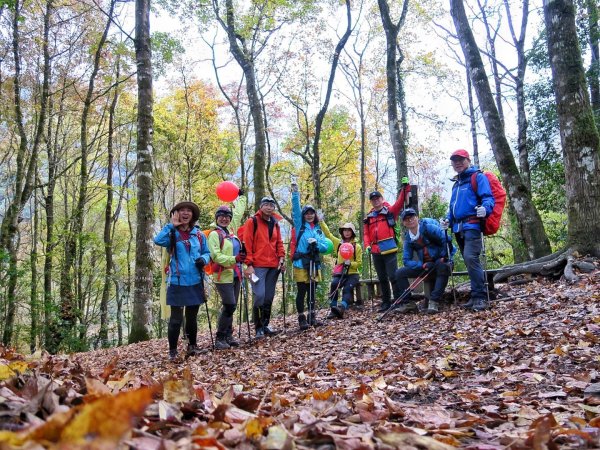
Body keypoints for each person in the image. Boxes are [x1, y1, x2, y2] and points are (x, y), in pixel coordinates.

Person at [154, 201, 211, 360]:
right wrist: (171, 225)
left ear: (193, 215)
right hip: (177, 282)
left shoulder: (199, 235)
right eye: (182, 211)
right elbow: (157, 240)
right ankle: (172, 351)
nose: (185, 213)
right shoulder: (172, 234)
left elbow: (207, 253)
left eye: (189, 211)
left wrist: (203, 259)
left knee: (192, 317)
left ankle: (192, 346)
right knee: (175, 320)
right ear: (176, 214)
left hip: (195, 280)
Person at [441, 149, 494, 311]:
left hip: (472, 226)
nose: (457, 163)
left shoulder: (477, 177)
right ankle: (475, 294)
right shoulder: (456, 184)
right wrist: (447, 219)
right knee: (468, 261)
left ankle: (480, 297)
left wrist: (485, 208)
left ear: (468, 160)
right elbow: (452, 208)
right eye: (454, 160)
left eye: (461, 160)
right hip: (458, 227)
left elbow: (488, 197)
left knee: (471, 258)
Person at [363, 178, 412, 312]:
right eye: (373, 200)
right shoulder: (369, 217)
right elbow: (366, 234)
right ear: (371, 202)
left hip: (389, 248)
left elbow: (400, 202)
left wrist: (405, 187)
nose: (376, 201)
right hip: (375, 250)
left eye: (378, 198)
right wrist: (367, 245)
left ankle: (397, 300)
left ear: (381, 199)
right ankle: (386, 302)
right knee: (382, 278)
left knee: (393, 275)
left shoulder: (390, 211)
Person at [394, 208, 455, 314]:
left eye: (412, 217)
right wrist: (422, 265)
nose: (410, 220)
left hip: (441, 260)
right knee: (399, 273)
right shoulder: (408, 238)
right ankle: (409, 303)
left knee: (442, 265)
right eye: (406, 219)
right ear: (403, 223)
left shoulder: (428, 228)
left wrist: (443, 256)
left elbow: (446, 239)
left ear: (417, 218)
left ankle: (434, 301)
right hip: (426, 266)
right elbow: (406, 260)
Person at [207, 193, 247, 350]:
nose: (224, 218)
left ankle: (229, 335)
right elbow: (216, 256)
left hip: (236, 274)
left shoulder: (231, 231)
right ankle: (220, 338)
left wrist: (241, 197)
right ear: (217, 218)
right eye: (221, 216)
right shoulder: (214, 235)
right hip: (222, 275)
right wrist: (234, 259)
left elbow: (238, 212)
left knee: (233, 305)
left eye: (227, 216)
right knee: (229, 304)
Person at [242, 196, 286, 338]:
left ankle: (266, 324)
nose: (269, 207)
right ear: (261, 207)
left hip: (273, 266)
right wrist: (248, 264)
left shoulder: (275, 223)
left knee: (269, 297)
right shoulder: (252, 222)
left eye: (271, 205)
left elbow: (279, 242)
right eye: (266, 204)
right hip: (257, 266)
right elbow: (247, 244)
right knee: (259, 296)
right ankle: (258, 327)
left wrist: (282, 258)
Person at [289, 183, 329, 330]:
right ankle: (301, 318)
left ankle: (312, 317)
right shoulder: (300, 225)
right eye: (307, 213)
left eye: (312, 213)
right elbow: (295, 208)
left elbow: (325, 246)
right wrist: (295, 193)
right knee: (302, 291)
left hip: (314, 262)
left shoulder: (318, 230)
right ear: (304, 215)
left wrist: (317, 245)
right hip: (301, 262)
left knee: (312, 290)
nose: (309, 215)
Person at [321, 221, 362, 319]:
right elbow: (328, 235)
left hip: (353, 274)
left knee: (347, 289)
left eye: (349, 230)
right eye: (345, 230)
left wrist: (350, 263)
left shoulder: (357, 246)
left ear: (352, 232)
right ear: (342, 232)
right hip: (340, 273)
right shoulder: (339, 244)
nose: (347, 232)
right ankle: (333, 309)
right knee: (334, 285)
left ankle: (342, 308)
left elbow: (359, 264)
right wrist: (321, 221)